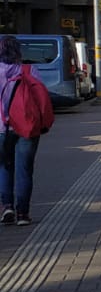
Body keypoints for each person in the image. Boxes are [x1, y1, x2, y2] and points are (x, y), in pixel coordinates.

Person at [0, 35, 53, 227]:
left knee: (4, 167)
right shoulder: (29, 70)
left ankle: (7, 207)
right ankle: (23, 214)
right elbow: (41, 99)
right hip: (27, 127)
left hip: (1, 129)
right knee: (24, 170)